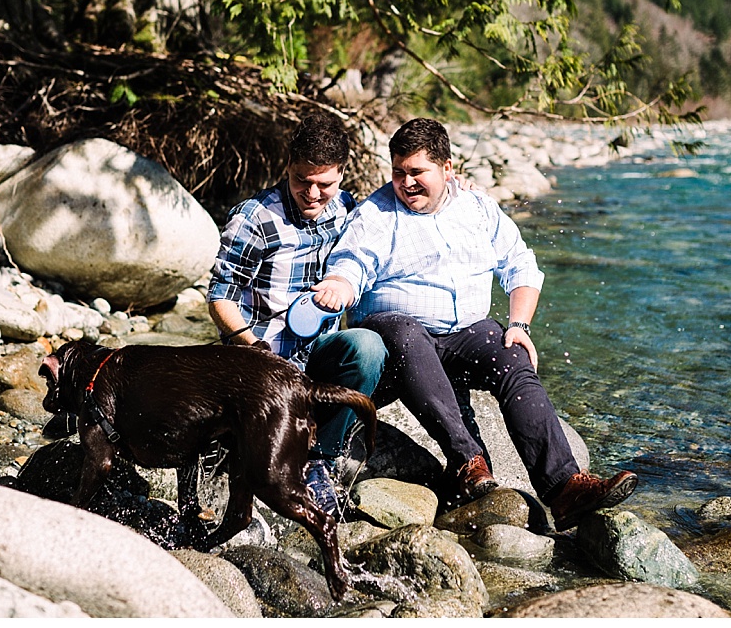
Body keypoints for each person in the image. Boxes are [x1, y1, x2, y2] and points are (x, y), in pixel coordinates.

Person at [312, 117, 637, 530]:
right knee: (404, 330)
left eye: (417, 172)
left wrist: (519, 324)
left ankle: (564, 488)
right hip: (396, 344)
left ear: (447, 170)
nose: (406, 182)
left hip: (463, 335)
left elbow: (520, 265)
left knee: (509, 352)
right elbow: (353, 262)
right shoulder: (376, 214)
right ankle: (467, 461)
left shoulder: (478, 207)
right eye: (398, 172)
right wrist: (340, 284)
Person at [207, 112, 386, 518]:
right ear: (287, 166)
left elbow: (403, 207)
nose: (312, 193)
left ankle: (319, 460)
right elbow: (219, 297)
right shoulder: (254, 218)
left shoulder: (347, 209)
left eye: (325, 184)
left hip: (316, 353)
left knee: (369, 348)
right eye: (302, 180)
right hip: (261, 357)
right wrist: (253, 348)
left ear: (342, 173)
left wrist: (456, 187)